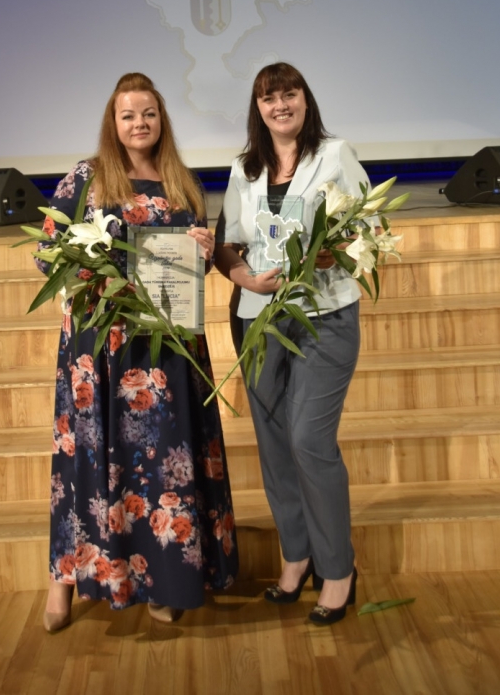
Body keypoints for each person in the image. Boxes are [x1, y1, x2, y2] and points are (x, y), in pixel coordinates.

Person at [38, 72, 238, 631]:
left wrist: (203, 251)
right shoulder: (86, 177)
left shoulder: (183, 182)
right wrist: (90, 272)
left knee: (161, 467)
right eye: (128, 115)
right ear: (113, 121)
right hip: (100, 350)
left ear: (161, 118)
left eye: (148, 113)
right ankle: (64, 582)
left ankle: (163, 581)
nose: (139, 123)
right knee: (86, 462)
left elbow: (193, 267)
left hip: (163, 345)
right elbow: (46, 251)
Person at [214, 61, 372, 627]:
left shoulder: (334, 154)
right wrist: (245, 279)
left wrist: (336, 252)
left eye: (289, 94)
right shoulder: (244, 169)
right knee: (276, 447)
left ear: (305, 99)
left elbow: (367, 229)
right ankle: (297, 555)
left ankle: (338, 569)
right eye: (269, 98)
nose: (280, 105)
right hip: (258, 319)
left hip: (323, 316)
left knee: (309, 441)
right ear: (258, 109)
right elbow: (228, 246)